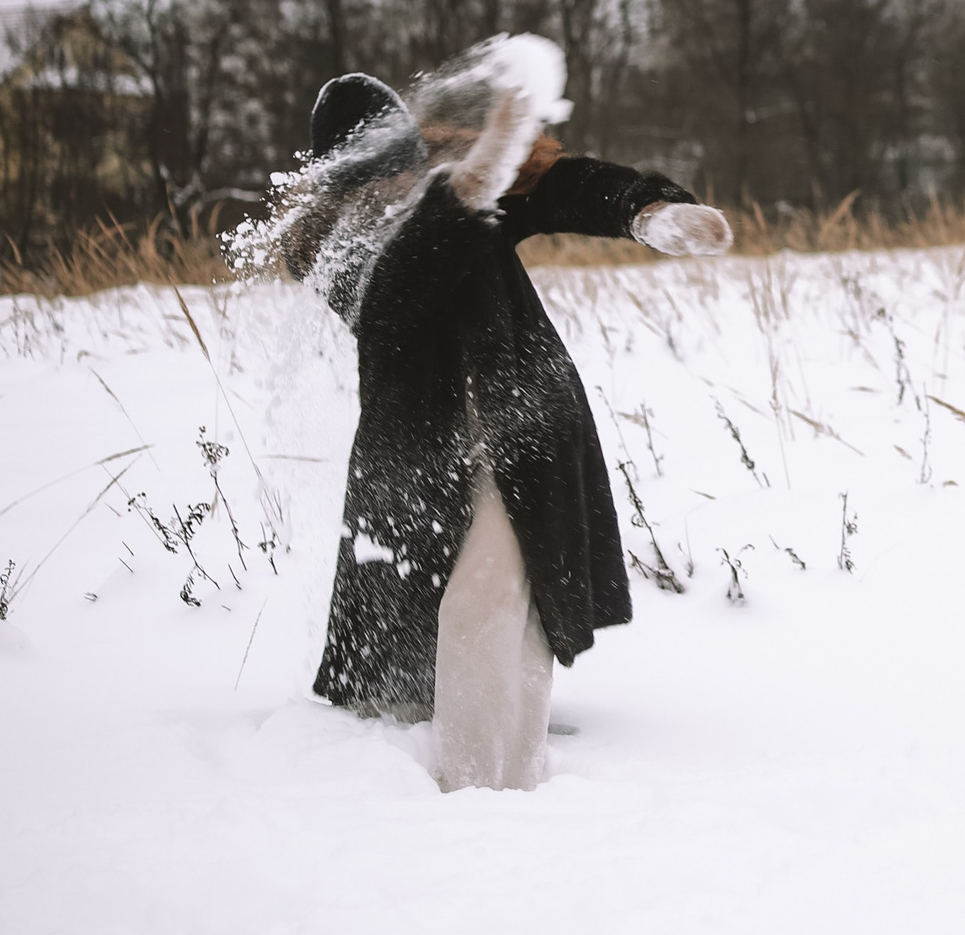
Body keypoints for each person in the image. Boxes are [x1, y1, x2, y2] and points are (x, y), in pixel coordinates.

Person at [287, 52, 733, 791]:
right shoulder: (326, 247)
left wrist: (651, 211)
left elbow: (567, 184)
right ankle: (438, 775)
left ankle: (487, 793)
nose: (391, 189)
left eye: (401, 169)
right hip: (417, 464)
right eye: (369, 180)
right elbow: (405, 284)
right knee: (405, 655)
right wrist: (472, 183)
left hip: (526, 440)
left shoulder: (466, 183)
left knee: (484, 605)